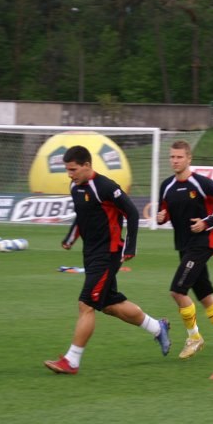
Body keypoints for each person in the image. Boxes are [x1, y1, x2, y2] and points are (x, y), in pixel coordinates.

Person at [44, 145, 171, 374]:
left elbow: (132, 213)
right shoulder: (75, 187)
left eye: (73, 169)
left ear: (87, 165)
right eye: (67, 170)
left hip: (109, 254)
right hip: (91, 254)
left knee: (86, 304)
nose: (69, 174)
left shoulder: (106, 187)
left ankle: (72, 361)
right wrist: (70, 238)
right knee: (110, 305)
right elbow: (82, 217)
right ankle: (157, 327)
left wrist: (130, 246)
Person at [157, 140, 213, 361]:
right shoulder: (166, 186)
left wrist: (206, 223)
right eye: (172, 157)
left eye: (179, 157)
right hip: (183, 246)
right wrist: (161, 217)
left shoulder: (203, 183)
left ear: (189, 158)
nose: (175, 161)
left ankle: (194, 338)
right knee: (204, 294)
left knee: (177, 291)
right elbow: (164, 212)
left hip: (202, 243)